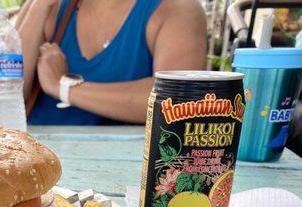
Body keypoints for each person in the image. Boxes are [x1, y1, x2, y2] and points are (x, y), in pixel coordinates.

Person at [17, 0, 207, 125]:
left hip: (126, 167)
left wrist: (62, 87)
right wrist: (38, 7)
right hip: (37, 159)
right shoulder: (48, 7)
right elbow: (9, 91)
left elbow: (176, 100)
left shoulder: (176, 9)